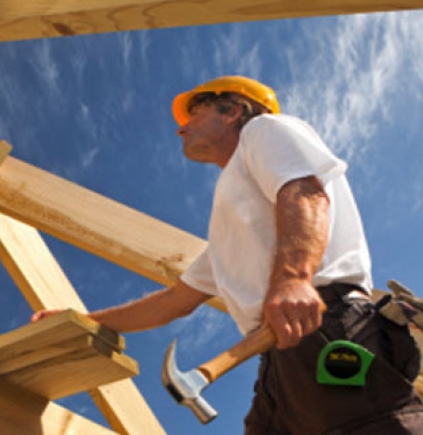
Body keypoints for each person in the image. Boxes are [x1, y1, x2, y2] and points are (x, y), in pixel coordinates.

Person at [32, 76, 423, 433]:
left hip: (322, 327)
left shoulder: (264, 130)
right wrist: (84, 319)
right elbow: (174, 302)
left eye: (196, 113)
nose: (181, 126)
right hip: (276, 361)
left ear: (234, 110)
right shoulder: (232, 225)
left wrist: (294, 277)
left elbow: (304, 191)